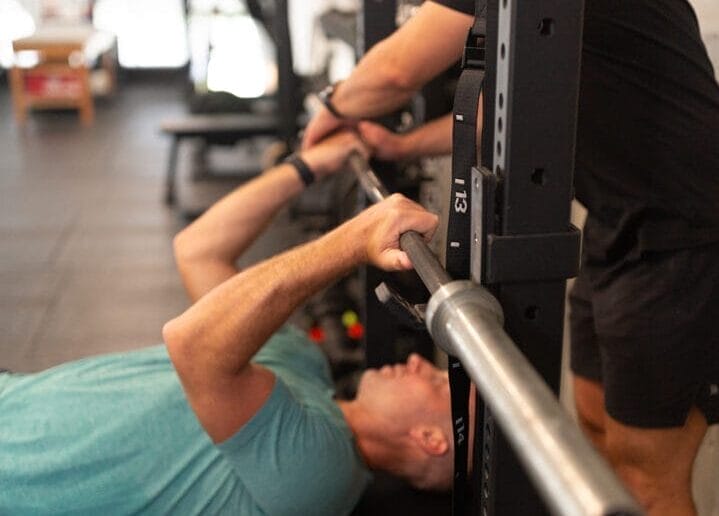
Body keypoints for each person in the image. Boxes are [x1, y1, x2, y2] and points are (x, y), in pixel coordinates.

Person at [302, 1, 719, 515]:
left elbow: (395, 70)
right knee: (592, 430)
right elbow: (502, 114)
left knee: (647, 476)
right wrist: (401, 146)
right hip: (619, 224)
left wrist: (329, 108)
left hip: (684, 236)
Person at [0, 131, 456, 515]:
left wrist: (358, 239)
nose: (420, 364)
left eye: (436, 382)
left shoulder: (321, 475)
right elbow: (199, 249)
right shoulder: (304, 367)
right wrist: (309, 165)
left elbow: (193, 345)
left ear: (429, 438)